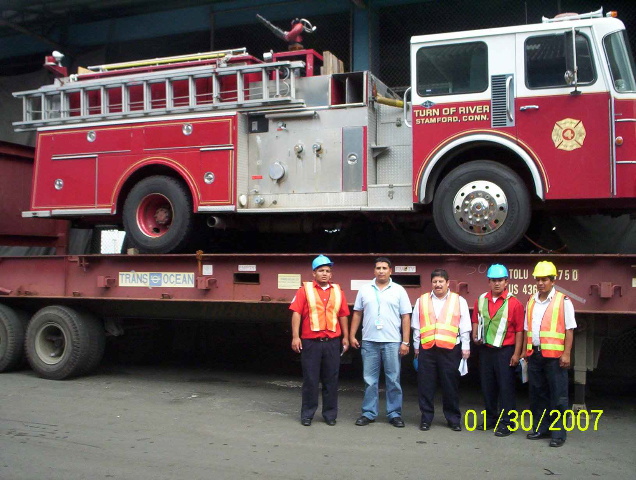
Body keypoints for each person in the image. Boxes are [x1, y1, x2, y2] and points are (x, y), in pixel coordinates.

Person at [349, 257, 412, 428]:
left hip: (392, 342)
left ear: (390, 271)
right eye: (378, 268)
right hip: (369, 341)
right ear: (374, 270)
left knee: (393, 380)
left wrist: (405, 342)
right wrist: (352, 335)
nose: (381, 271)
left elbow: (406, 316)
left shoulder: (399, 290)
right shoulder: (365, 290)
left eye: (384, 268)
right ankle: (368, 413)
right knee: (370, 380)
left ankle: (394, 414)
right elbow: (357, 313)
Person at [290, 255, 350, 426]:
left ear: (331, 274)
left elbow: (343, 315)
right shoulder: (304, 291)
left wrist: (345, 337)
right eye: (321, 271)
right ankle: (307, 414)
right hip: (311, 342)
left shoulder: (338, 291)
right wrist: (295, 337)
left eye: (328, 271)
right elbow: (296, 313)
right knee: (310, 380)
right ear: (314, 273)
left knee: (331, 380)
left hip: (331, 342)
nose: (325, 274)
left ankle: (330, 415)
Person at [523, 261, 576, 447]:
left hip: (555, 357)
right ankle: (541, 428)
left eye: (544, 279)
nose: (540, 283)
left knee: (558, 396)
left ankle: (558, 434)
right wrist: (525, 352)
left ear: (553, 281)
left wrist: (566, 354)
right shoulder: (531, 301)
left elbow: (569, 329)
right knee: (538, 394)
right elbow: (526, 329)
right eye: (538, 279)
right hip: (535, 355)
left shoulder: (564, 301)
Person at [412, 269, 470, 431]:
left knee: (450, 385)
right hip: (427, 348)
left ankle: (453, 419)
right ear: (431, 283)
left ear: (447, 283)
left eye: (441, 282)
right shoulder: (422, 300)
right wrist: (416, 347)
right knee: (426, 386)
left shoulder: (459, 301)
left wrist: (466, 347)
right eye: (435, 282)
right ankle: (426, 418)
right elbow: (416, 326)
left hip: (450, 349)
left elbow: (464, 327)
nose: (438, 285)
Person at [471, 264, 524, 437]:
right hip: (486, 350)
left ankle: (508, 423)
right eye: (493, 280)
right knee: (488, 386)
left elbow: (519, 331)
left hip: (505, 351)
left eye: (500, 280)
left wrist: (517, 354)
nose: (496, 284)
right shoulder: (481, 300)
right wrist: (474, 334)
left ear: (506, 281)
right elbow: (476, 320)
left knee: (506, 388)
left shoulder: (514, 303)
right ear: (489, 282)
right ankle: (490, 419)